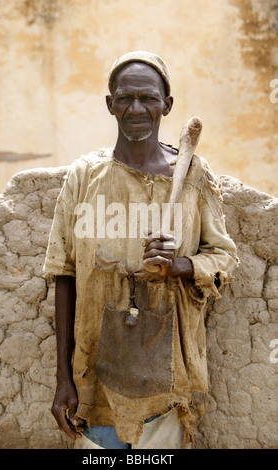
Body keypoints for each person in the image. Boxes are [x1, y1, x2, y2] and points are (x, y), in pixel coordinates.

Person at [43, 51, 238, 449]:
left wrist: (180, 265)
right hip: (94, 378)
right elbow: (64, 274)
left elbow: (224, 256)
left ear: (166, 105)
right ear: (110, 105)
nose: (136, 107)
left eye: (148, 98)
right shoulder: (84, 177)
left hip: (166, 374)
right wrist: (63, 378)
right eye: (125, 98)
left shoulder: (193, 176)